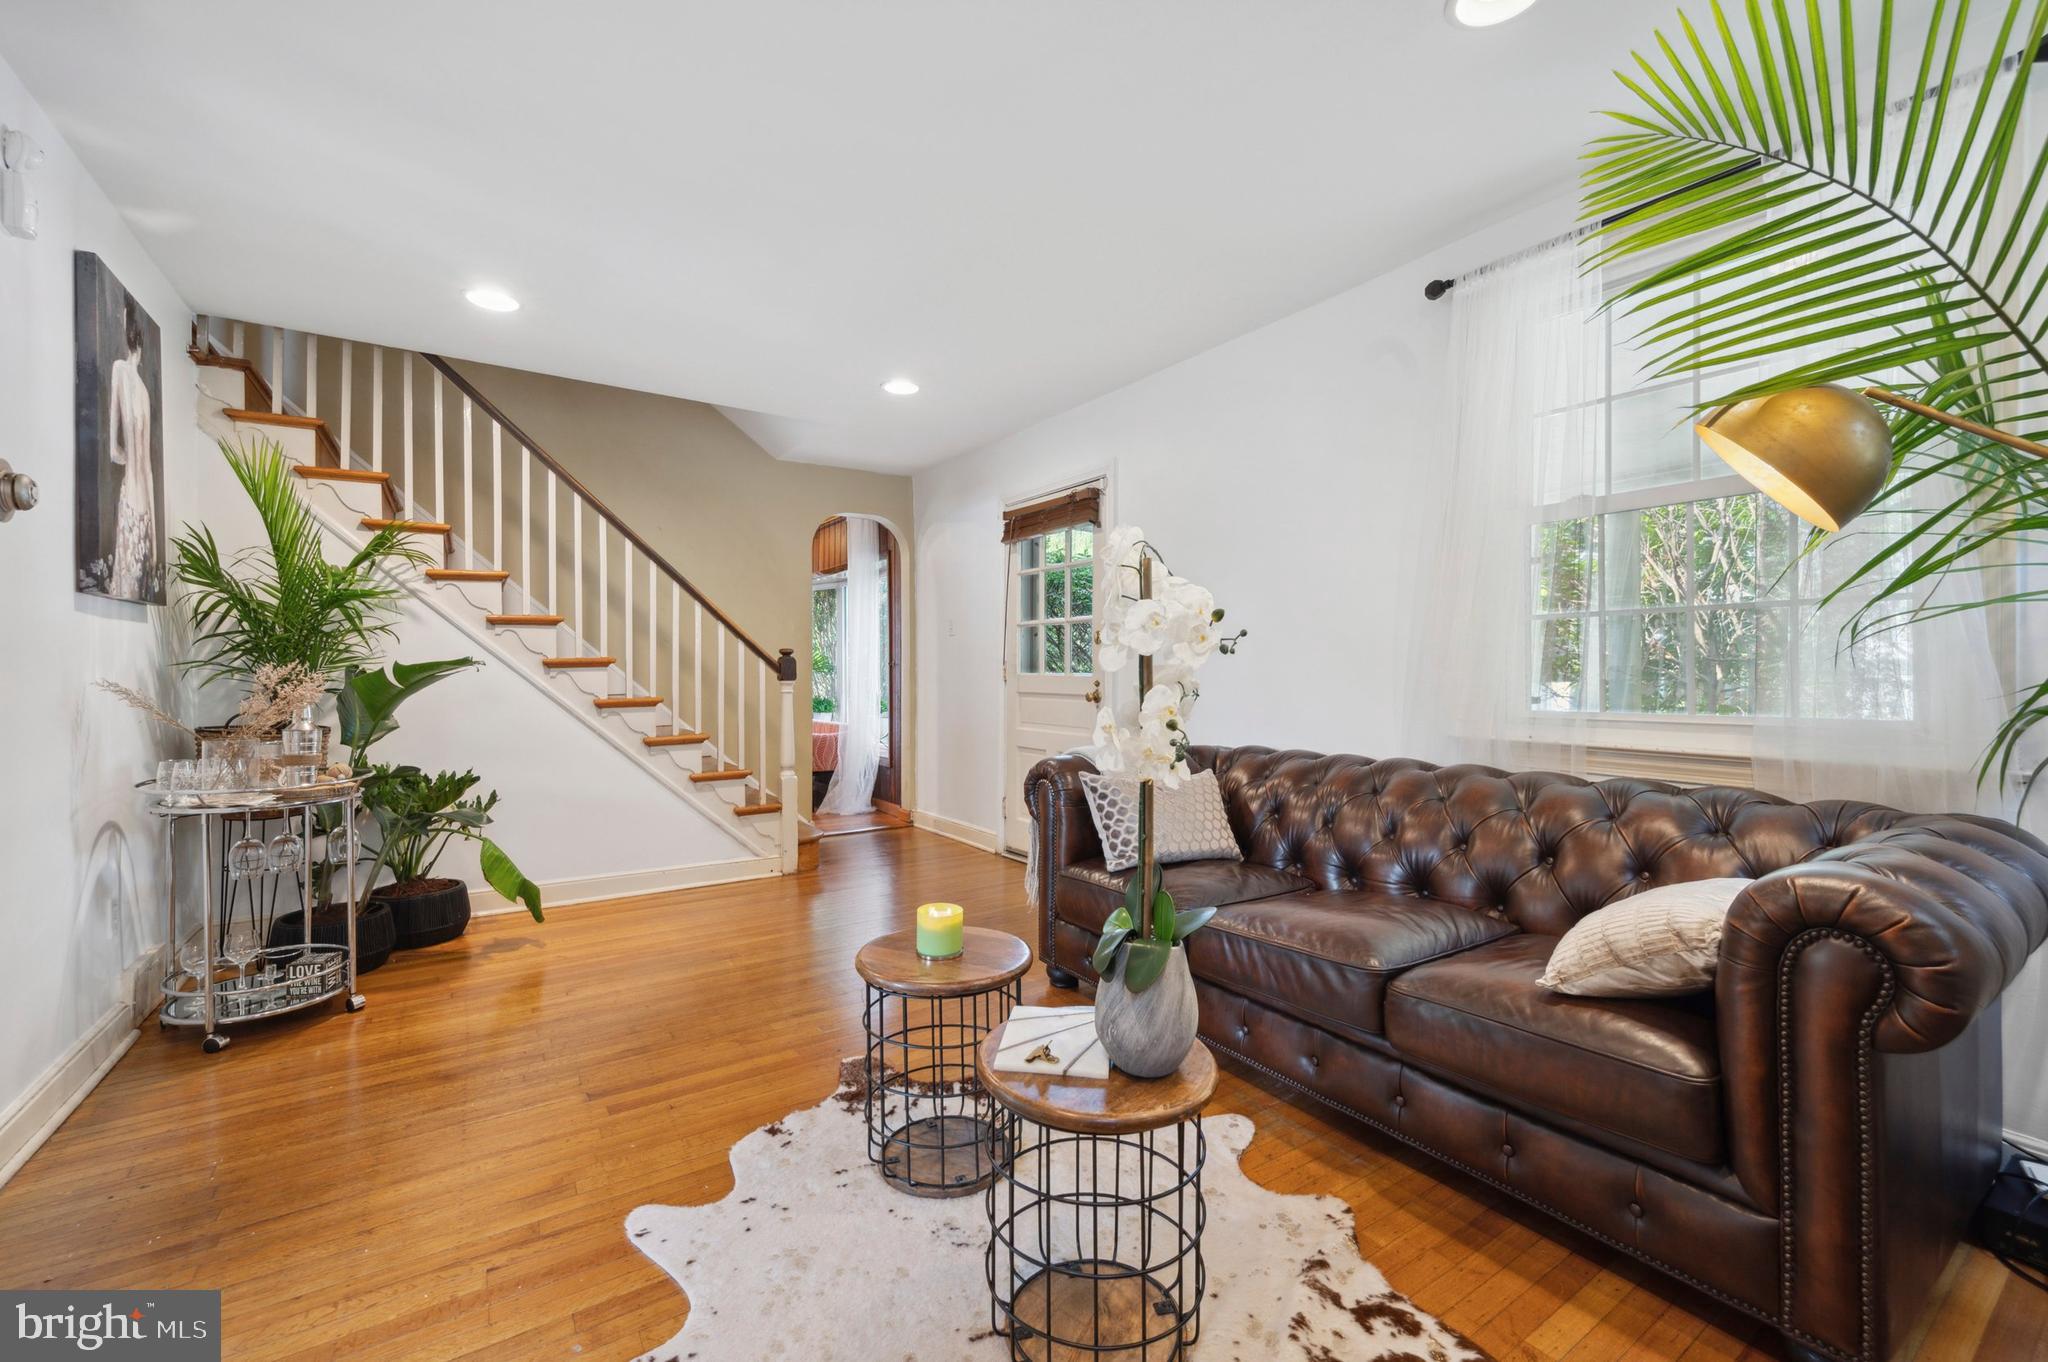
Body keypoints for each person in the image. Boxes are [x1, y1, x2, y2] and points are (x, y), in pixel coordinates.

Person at [107, 297, 155, 599]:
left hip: (132, 501)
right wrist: (155, 539)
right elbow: (147, 467)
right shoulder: (144, 391)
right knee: (132, 590)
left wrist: (121, 452)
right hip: (143, 505)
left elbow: (113, 450)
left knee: (125, 587)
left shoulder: (120, 370)